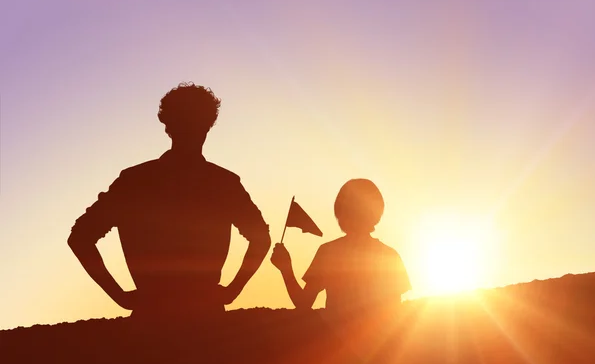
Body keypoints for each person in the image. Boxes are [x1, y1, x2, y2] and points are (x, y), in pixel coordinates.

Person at [67, 83, 271, 320]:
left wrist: (120, 296)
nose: (193, 130)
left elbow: (80, 238)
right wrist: (233, 290)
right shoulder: (222, 183)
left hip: (160, 318)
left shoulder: (134, 181)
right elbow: (261, 238)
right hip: (199, 319)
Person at [271, 179, 411, 318]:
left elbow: (303, 303)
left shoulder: (329, 252)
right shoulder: (390, 256)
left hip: (338, 339)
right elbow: (395, 313)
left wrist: (286, 269)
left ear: (340, 212)